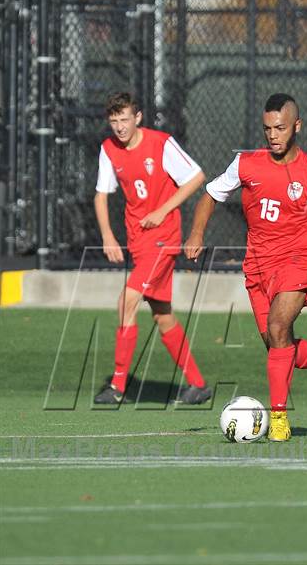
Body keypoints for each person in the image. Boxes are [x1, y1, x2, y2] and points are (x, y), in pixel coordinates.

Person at [185, 93, 307, 440]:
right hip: (258, 266)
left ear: (297, 126)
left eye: (280, 128)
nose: (273, 135)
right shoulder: (246, 164)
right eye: (267, 129)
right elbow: (210, 195)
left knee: (279, 328)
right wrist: (196, 233)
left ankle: (278, 418)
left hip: (298, 262)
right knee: (277, 344)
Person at [94, 92, 212, 405]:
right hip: (139, 241)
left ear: (138, 118)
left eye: (125, 119)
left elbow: (196, 177)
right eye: (114, 121)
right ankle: (198, 385)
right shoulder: (109, 149)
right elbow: (101, 195)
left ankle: (118, 386)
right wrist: (108, 235)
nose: (119, 127)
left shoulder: (161, 144)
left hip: (164, 238)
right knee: (162, 316)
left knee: (126, 302)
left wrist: (163, 210)